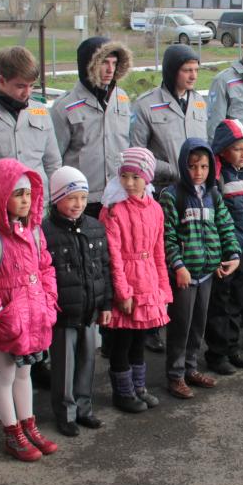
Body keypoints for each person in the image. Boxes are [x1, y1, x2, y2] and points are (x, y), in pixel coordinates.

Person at [0, 159, 60, 461]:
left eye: (28, 194)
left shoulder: (34, 232)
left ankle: (28, 425)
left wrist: (48, 301)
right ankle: (12, 431)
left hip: (33, 319)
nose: (24, 201)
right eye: (17, 194)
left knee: (24, 375)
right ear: (1, 195)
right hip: (6, 321)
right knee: (4, 378)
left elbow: (46, 268)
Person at [160, 140, 241, 399]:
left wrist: (233, 254)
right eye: (192, 166)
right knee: (181, 325)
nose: (198, 172)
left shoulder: (212, 194)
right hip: (185, 274)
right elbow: (167, 236)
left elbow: (225, 226)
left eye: (204, 166)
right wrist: (178, 266)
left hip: (207, 272)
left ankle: (190, 368)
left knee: (198, 324)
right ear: (184, 166)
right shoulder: (172, 195)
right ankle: (175, 376)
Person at [42, 166, 112, 437]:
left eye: (83, 198)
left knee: (87, 361)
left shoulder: (95, 228)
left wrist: (105, 304)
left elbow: (104, 268)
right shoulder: (46, 233)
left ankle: (85, 408)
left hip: (89, 308)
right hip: (63, 312)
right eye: (71, 198)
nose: (78, 204)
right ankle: (66, 413)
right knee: (64, 365)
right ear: (56, 198)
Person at [99, 148, 171, 413]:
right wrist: (123, 291)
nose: (129, 183)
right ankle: (123, 391)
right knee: (123, 339)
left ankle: (139, 386)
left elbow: (158, 252)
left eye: (135, 177)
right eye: (124, 176)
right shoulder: (114, 210)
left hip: (148, 279)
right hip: (128, 281)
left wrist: (163, 288)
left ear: (147, 178)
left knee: (141, 337)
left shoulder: (155, 209)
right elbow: (113, 254)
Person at [0, 46, 61, 228]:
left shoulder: (40, 112)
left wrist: (55, 211)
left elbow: (53, 164)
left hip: (37, 217)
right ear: (2, 80)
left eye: (31, 86)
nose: (27, 93)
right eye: (20, 86)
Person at [204, 119, 243, 372]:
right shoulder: (218, 180)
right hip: (228, 253)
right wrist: (225, 252)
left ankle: (232, 348)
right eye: (237, 149)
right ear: (222, 150)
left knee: (239, 299)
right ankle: (217, 354)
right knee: (221, 303)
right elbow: (218, 220)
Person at [51, 37, 132, 216]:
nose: (110, 69)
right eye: (104, 63)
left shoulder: (122, 98)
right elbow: (54, 158)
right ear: (89, 64)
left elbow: (128, 143)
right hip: (81, 201)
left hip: (118, 196)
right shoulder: (65, 106)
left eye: (114, 63)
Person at [130, 44, 210, 193]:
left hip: (196, 190)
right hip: (164, 189)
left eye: (196, 70)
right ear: (172, 71)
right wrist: (172, 169)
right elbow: (137, 153)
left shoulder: (199, 102)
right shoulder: (146, 104)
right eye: (187, 70)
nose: (194, 76)